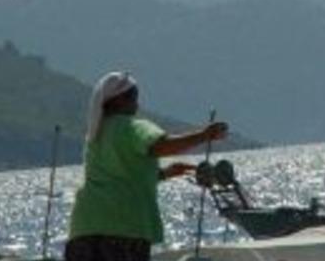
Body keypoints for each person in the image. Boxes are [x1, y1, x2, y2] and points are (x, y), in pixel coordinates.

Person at [65, 71, 228, 261]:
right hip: (124, 229)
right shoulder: (132, 127)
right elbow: (160, 145)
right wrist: (204, 135)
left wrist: (165, 173)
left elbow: (120, 174)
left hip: (83, 230)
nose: (137, 104)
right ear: (118, 100)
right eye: (134, 97)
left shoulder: (96, 136)